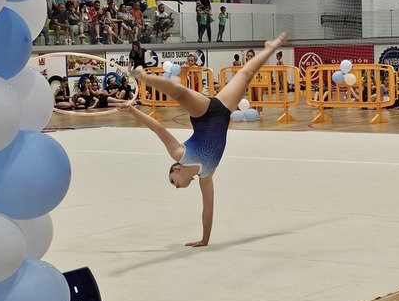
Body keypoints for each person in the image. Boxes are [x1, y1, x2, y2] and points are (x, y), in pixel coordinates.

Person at [117, 33, 287, 247]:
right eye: (173, 184)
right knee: (247, 72)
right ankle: (271, 47)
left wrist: (132, 110)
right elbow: (208, 209)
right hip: (224, 110)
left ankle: (145, 78)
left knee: (179, 93)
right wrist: (204, 240)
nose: (175, 186)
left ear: (177, 169)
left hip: (203, 113)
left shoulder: (180, 154)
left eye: (172, 181)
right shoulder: (206, 175)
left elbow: (158, 128)